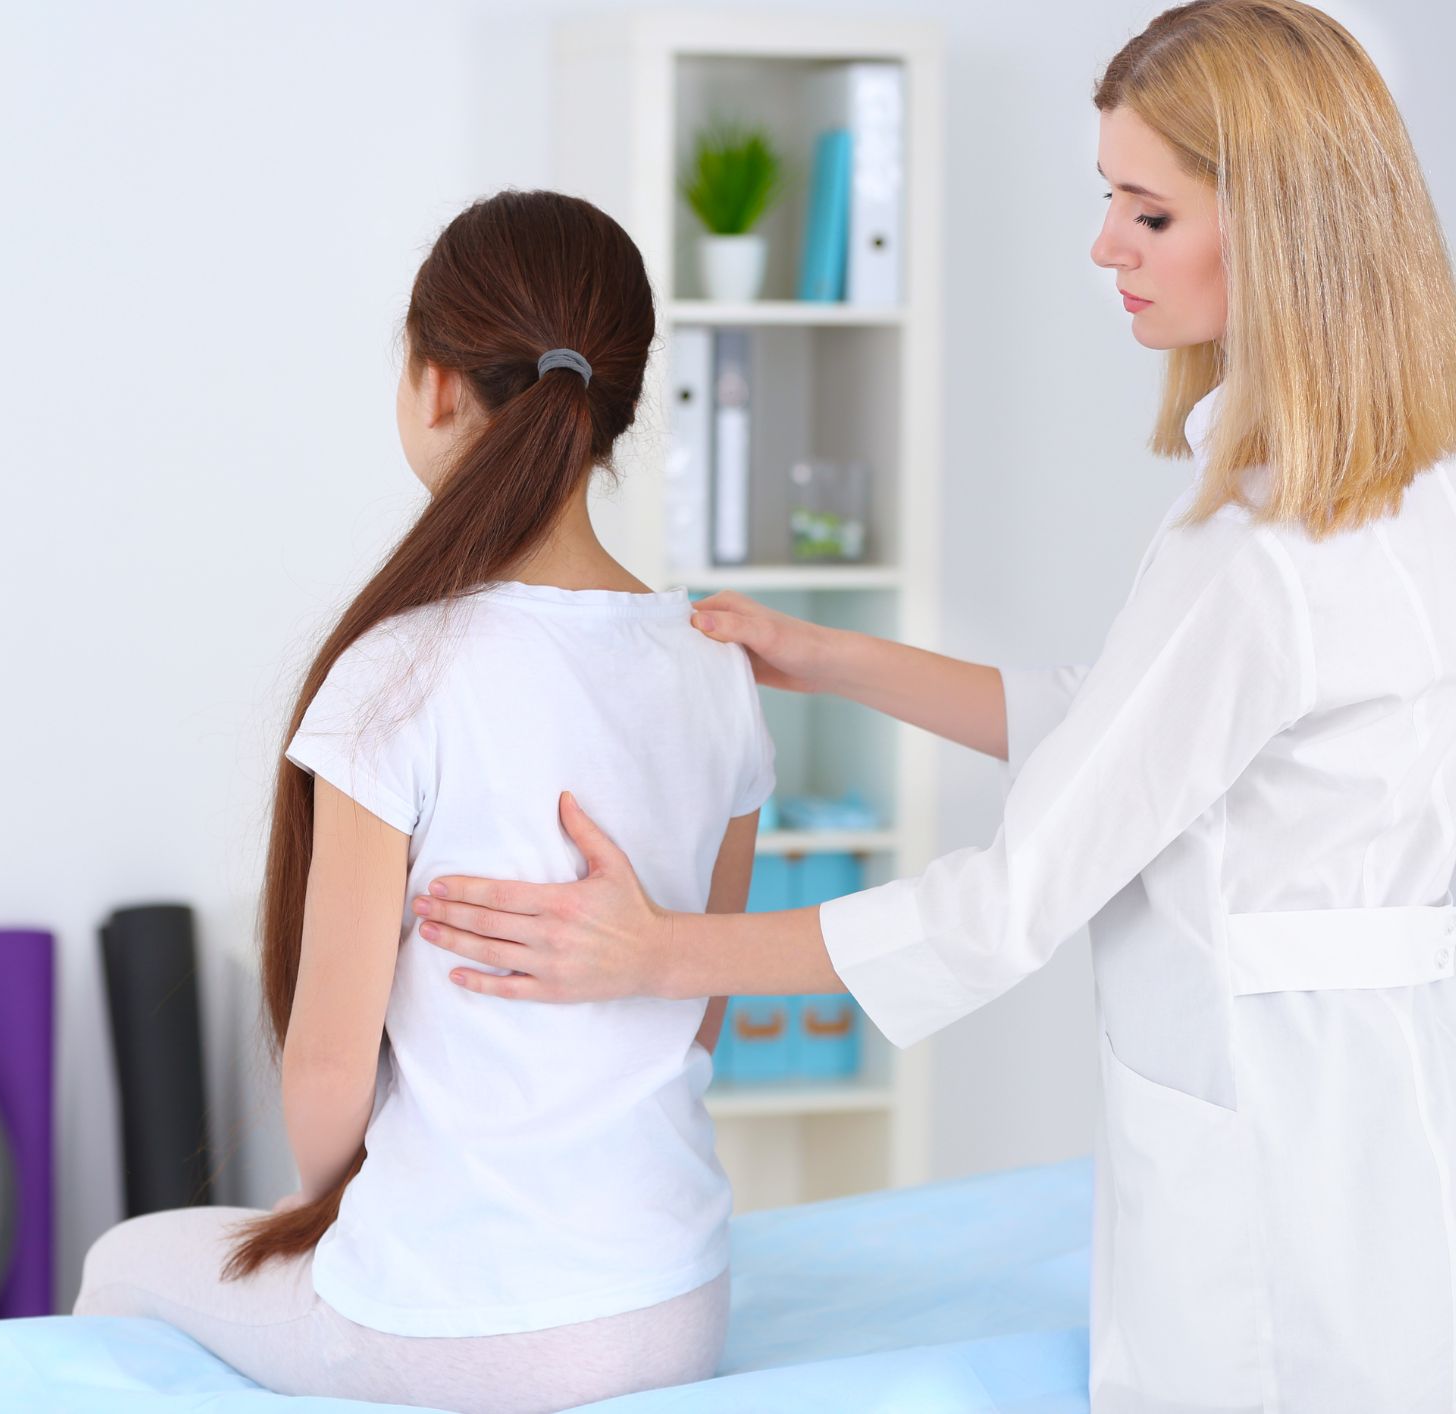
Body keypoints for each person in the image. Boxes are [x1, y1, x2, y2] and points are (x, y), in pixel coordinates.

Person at [406, 3, 1456, 1410]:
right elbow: (1125, 727)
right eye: (1108, 199)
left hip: (1282, 1148)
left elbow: (1009, 901)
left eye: (1148, 212)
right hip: (1377, 1103)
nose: (1105, 247)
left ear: (1282, 227)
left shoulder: (1260, 556)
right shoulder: (1398, 490)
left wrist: (660, 952)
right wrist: (833, 658)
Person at [72, 190, 775, 1413]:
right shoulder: (714, 664)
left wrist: (333, 1207)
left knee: (121, 1260)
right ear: (618, 402)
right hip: (675, 1305)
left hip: (448, 1330)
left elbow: (326, 1071)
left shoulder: (400, 670)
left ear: (434, 383)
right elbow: (695, 1012)